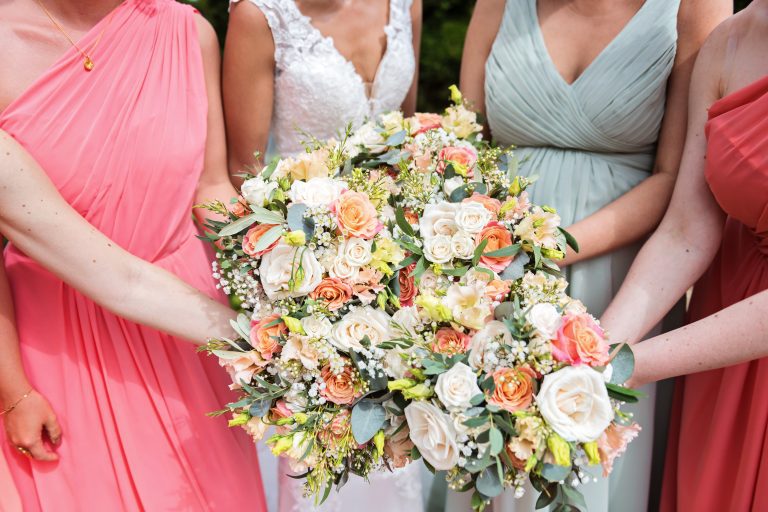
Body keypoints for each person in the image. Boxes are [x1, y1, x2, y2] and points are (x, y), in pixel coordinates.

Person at [457, 0, 730, 511]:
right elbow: (463, 144)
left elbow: (676, 176)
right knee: (495, 454)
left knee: (592, 460)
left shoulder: (696, 7)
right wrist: (479, 247)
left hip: (625, 278)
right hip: (493, 268)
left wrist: (550, 248)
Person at [0, 0, 266, 509]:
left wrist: (300, 280)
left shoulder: (190, 33)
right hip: (53, 340)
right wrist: (12, 390)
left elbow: (211, 188)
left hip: (185, 325)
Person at [222, 1, 425, 510]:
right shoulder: (259, 16)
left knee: (395, 436)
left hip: (399, 267)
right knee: (322, 442)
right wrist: (310, 274)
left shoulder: (405, 5)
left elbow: (407, 140)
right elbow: (241, 178)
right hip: (302, 269)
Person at [600, 1, 768, 508]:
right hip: (721, 348)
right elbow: (686, 231)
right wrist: (593, 348)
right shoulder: (730, 42)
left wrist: (627, 367)